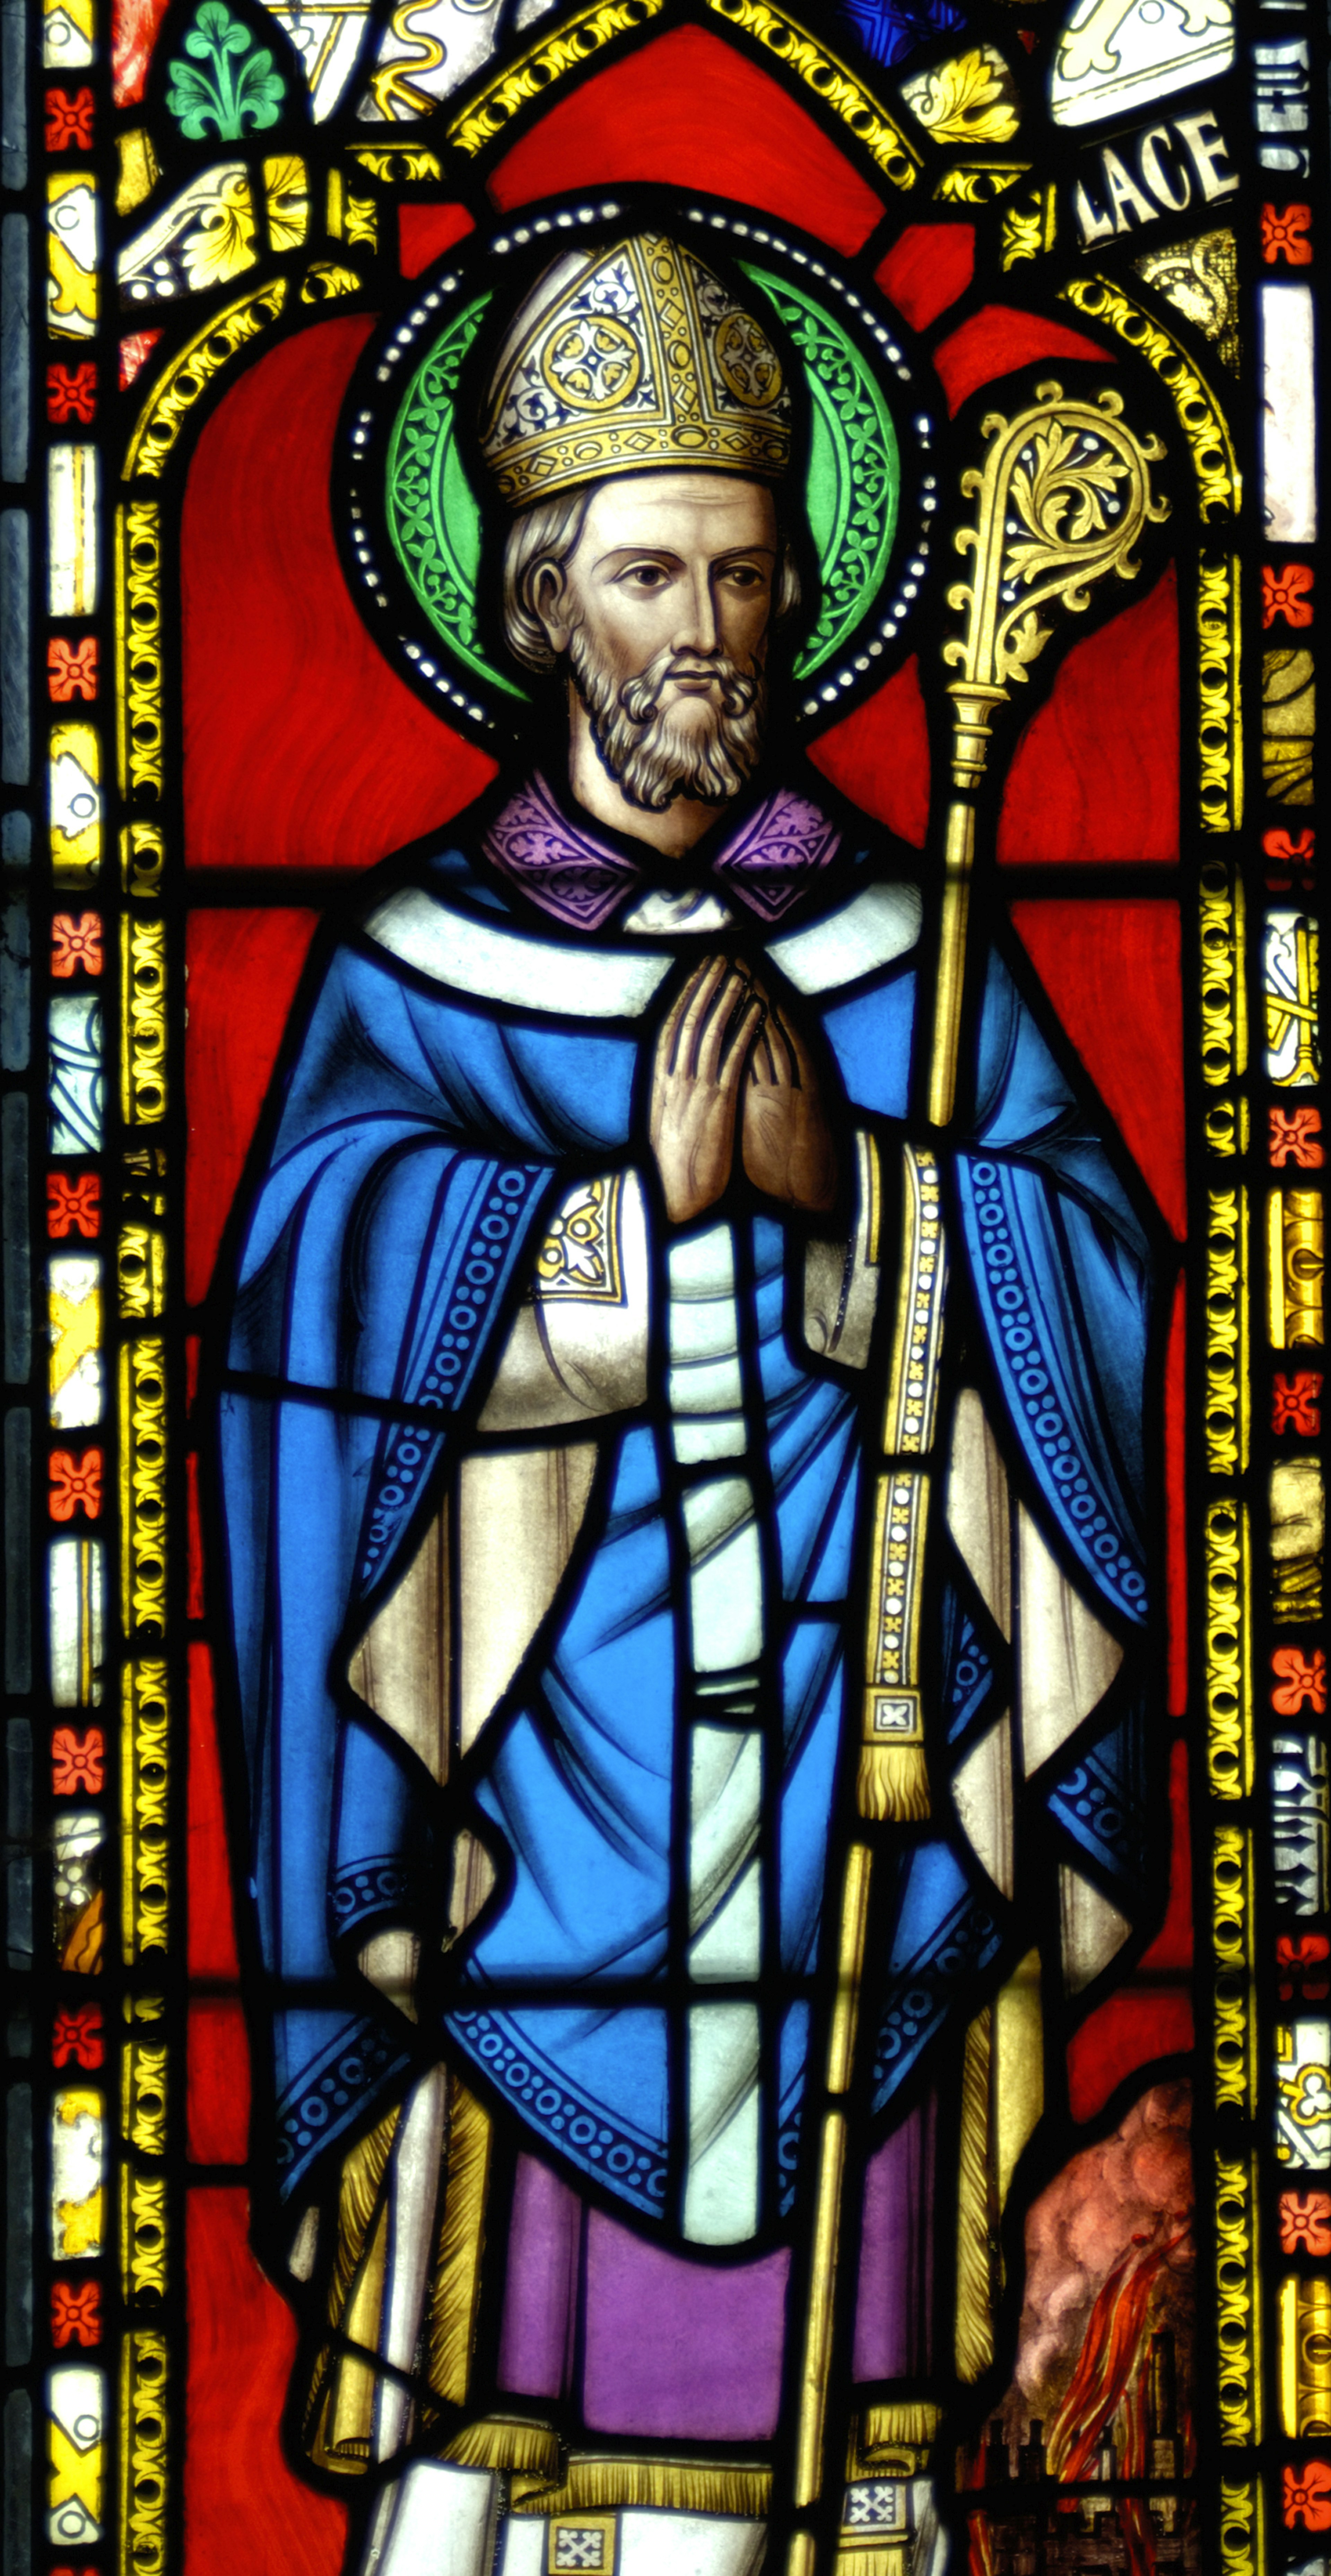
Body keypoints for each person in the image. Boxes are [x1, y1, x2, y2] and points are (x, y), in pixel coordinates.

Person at [215, 229, 1160, 2576]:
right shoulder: (419, 966)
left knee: (860, 2478)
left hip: (871, 1826)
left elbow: (1107, 1314)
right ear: (539, 601)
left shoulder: (896, 953)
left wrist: (864, 1195)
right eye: (651, 574)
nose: (711, 642)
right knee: (516, 2480)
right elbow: (303, 1346)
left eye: (748, 577)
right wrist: (600, 1238)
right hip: (536, 1848)